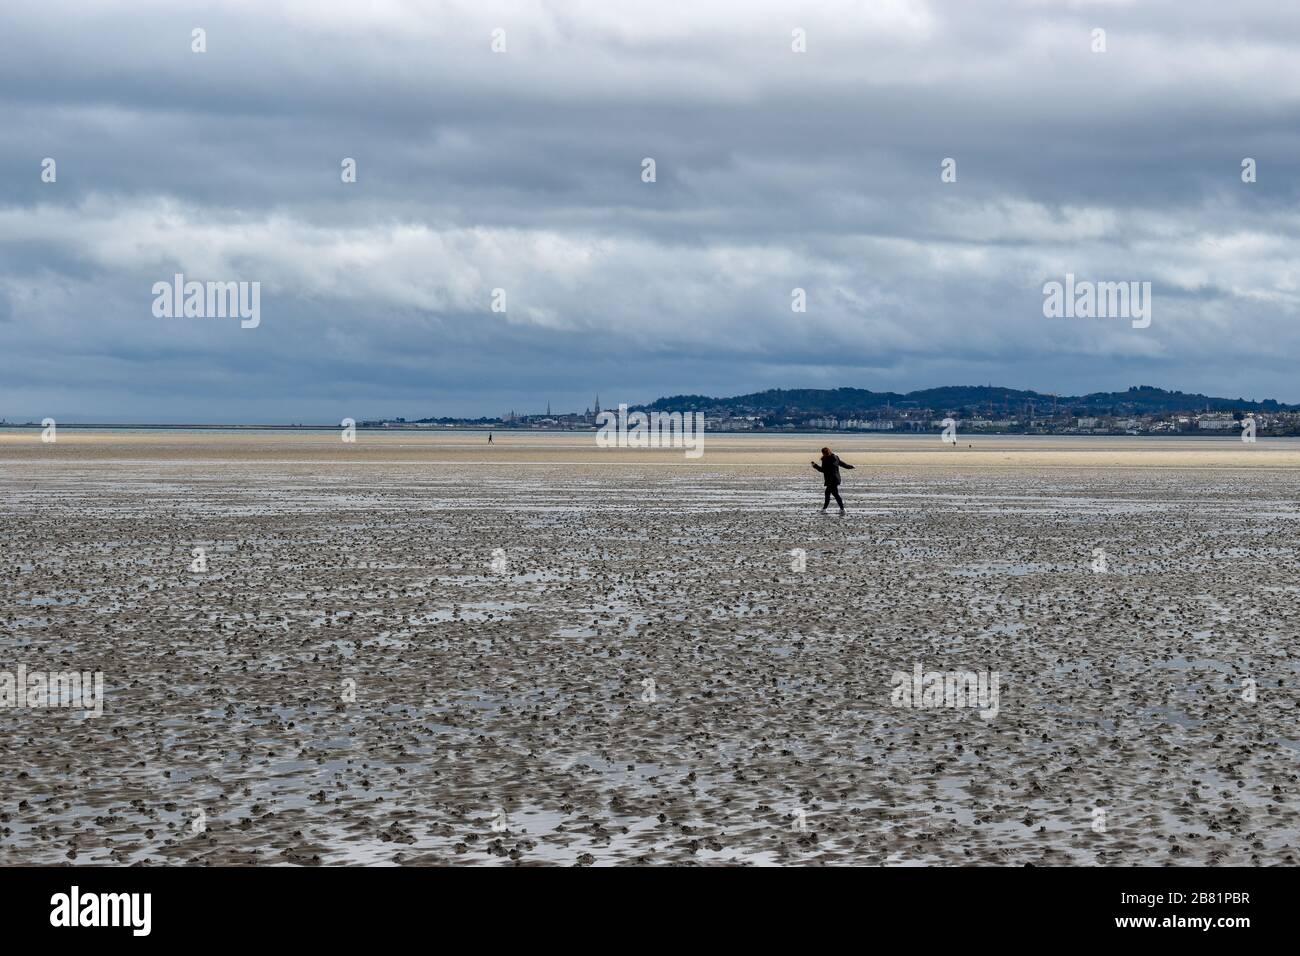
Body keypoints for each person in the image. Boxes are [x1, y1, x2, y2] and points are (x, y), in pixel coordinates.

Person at [811, 445, 854, 513]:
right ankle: (839, 509)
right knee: (832, 494)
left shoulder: (826, 459)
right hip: (835, 479)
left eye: (823, 453)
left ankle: (835, 509)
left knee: (831, 494)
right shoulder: (835, 457)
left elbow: (823, 470)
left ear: (825, 453)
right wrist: (850, 466)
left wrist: (815, 466)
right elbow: (842, 464)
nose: (823, 454)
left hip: (832, 480)